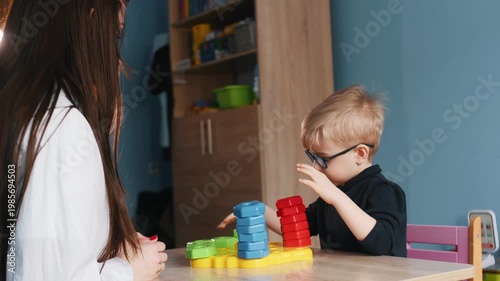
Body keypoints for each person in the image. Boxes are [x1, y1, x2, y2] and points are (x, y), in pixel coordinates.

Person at [0, 0, 168, 280]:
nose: (115, 57)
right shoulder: (62, 127)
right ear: (89, 23)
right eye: (115, 34)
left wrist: (111, 248)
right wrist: (128, 270)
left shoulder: (24, 114)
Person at [218, 85, 407, 257]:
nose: (317, 167)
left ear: (359, 154)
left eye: (323, 159)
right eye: (313, 158)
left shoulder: (384, 191)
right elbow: (296, 228)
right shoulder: (333, 195)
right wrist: (257, 211)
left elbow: (381, 244)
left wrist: (335, 197)